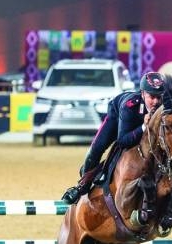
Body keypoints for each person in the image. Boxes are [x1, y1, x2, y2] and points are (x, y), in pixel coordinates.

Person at [61, 71, 166, 204]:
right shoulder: (130, 106)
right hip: (118, 117)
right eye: (152, 97)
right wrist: (144, 127)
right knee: (97, 148)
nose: (156, 102)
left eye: (159, 97)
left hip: (139, 122)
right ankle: (83, 186)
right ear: (143, 93)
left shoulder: (164, 104)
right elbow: (122, 141)